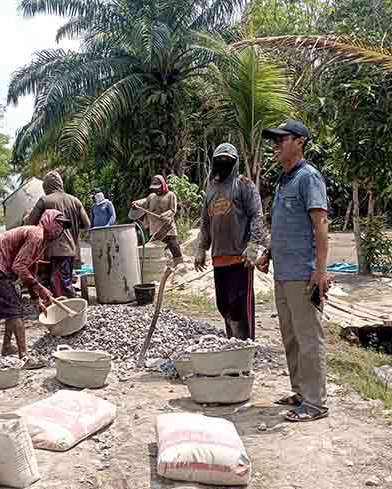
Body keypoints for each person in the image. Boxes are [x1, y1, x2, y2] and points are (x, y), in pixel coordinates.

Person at [257, 119, 330, 423]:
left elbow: (320, 226)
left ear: (299, 141)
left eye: (282, 139)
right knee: (291, 337)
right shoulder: (284, 180)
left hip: (303, 273)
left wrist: (321, 271)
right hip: (283, 273)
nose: (276, 145)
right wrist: (269, 253)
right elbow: (285, 227)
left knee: (309, 338)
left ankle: (315, 403)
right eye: (275, 141)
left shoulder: (308, 178)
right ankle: (300, 392)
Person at [194, 143, 266, 341]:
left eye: (228, 160)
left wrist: (253, 246)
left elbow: (257, 216)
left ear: (235, 163)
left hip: (240, 259)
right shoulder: (210, 188)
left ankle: (245, 347)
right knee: (224, 305)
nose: (223, 163)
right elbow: (206, 221)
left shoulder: (243, 185)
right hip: (219, 259)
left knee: (240, 307)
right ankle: (232, 344)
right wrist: (201, 248)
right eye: (220, 159)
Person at [0, 210, 67, 368]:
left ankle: (6, 346)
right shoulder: (37, 235)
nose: (59, 229)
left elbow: (31, 267)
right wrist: (40, 288)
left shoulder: (42, 240)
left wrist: (36, 299)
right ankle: (24, 356)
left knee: (12, 308)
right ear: (48, 221)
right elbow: (19, 266)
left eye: (62, 226)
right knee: (15, 311)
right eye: (58, 223)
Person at [24, 171, 90, 298]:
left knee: (61, 287)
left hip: (55, 252)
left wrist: (27, 215)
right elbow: (87, 224)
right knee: (64, 281)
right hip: (72, 250)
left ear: (46, 186)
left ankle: (75, 309)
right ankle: (65, 309)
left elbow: (31, 222)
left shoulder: (45, 200)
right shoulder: (75, 201)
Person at [131, 174, 183, 267]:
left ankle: (180, 266)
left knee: (174, 247)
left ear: (163, 185)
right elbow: (143, 203)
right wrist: (136, 204)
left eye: (158, 188)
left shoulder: (171, 195)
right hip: (155, 230)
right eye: (154, 188)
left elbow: (173, 210)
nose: (156, 190)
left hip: (167, 228)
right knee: (155, 252)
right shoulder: (151, 197)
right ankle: (160, 269)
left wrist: (165, 215)